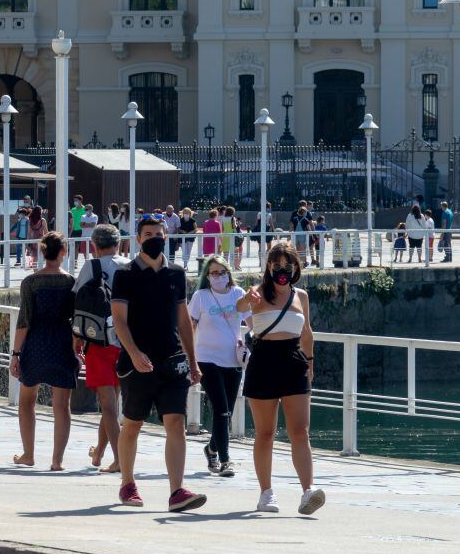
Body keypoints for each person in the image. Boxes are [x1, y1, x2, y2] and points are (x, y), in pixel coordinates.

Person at [111, 217, 205, 512]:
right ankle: (128, 483)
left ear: (167, 236)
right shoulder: (125, 274)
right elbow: (119, 321)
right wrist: (135, 353)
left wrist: (193, 361)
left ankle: (177, 491)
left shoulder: (176, 273)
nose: (154, 238)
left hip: (172, 360)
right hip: (137, 361)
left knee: (175, 422)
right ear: (138, 238)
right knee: (133, 424)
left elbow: (183, 320)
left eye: (159, 233)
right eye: (149, 234)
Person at [236, 241, 324, 515]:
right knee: (265, 432)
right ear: (268, 267)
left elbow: (307, 332)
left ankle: (308, 490)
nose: (282, 270)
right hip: (263, 361)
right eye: (276, 266)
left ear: (296, 267)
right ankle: (266, 493)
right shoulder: (258, 293)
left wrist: (309, 362)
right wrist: (247, 299)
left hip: (294, 362)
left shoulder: (302, 296)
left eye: (287, 265)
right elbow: (238, 307)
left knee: (300, 431)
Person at [11, 232, 78, 470]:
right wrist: (77, 349)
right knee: (61, 405)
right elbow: (76, 321)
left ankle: (28, 454)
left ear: (42, 252)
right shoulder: (71, 282)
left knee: (27, 401)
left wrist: (15, 354)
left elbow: (24, 321)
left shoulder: (30, 282)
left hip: (36, 345)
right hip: (62, 343)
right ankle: (57, 460)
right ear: (63, 252)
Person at [71, 225, 129, 474]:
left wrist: (77, 337)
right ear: (119, 243)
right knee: (112, 403)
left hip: (100, 341)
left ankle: (119, 460)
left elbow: (77, 302)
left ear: (94, 244)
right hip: (127, 342)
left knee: (107, 405)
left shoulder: (91, 266)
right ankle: (100, 452)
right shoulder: (130, 265)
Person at [188, 255, 249, 478]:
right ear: (207, 276)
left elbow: (251, 323)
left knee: (227, 412)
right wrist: (190, 359)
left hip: (232, 360)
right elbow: (190, 327)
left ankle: (211, 448)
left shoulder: (239, 295)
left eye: (223, 272)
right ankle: (225, 461)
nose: (219, 277)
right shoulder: (200, 297)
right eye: (214, 273)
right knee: (221, 410)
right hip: (206, 359)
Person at [69, 195, 86, 267]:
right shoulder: (72, 210)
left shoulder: (85, 209)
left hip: (82, 230)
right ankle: (75, 263)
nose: (75, 202)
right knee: (74, 246)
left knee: (84, 246)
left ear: (81, 201)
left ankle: (87, 262)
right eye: (74, 200)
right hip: (74, 230)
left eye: (76, 200)